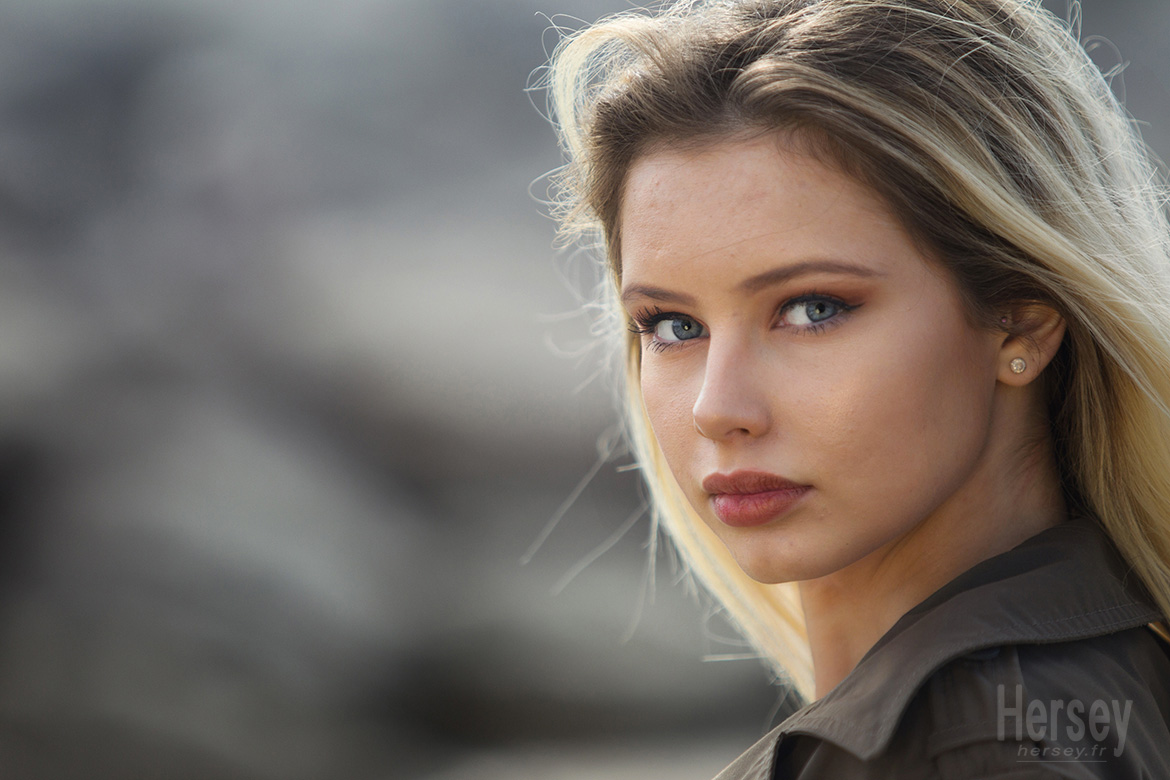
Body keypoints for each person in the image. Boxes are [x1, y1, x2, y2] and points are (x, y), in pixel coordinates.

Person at [543, 0, 1170, 776]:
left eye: (812, 310)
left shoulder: (979, 746)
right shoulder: (1088, 686)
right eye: (673, 325)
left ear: (1019, 327)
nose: (716, 408)